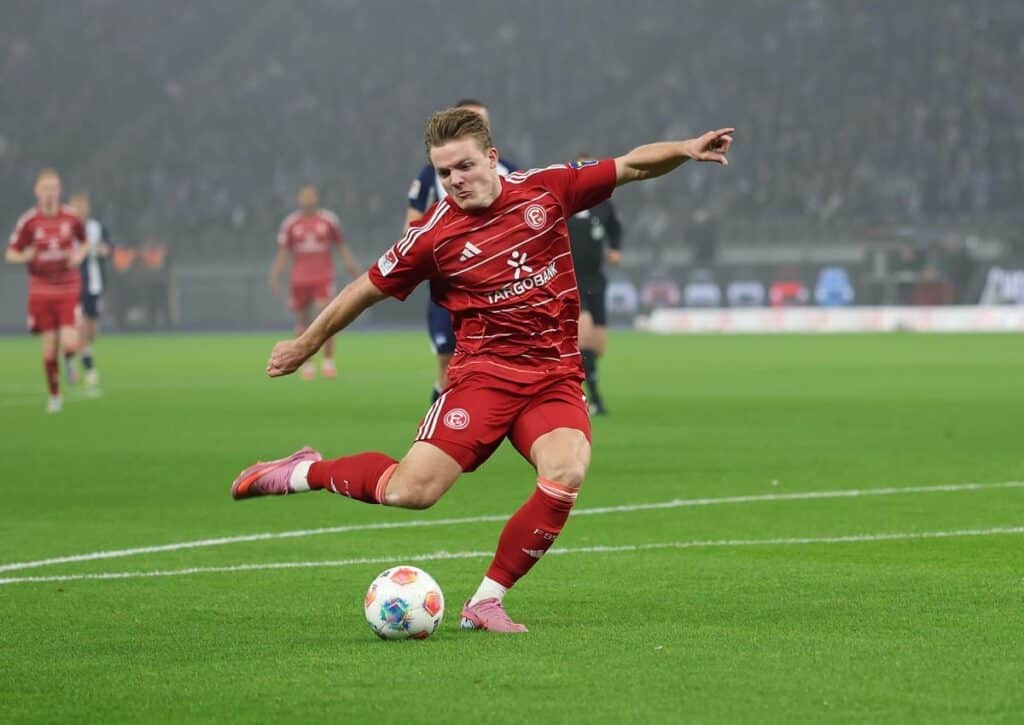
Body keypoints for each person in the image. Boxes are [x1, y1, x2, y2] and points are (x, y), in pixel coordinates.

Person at [232, 108, 733, 632]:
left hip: (553, 378)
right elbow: (364, 289)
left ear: (492, 158)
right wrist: (307, 343)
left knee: (566, 471)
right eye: (444, 173)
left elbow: (631, 166)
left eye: (464, 167)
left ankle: (486, 600)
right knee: (412, 492)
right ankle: (305, 470)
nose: (455, 181)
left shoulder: (546, 189)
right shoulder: (432, 235)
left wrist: (686, 149)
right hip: (484, 378)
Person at [404, 98, 518, 401]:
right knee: (449, 366)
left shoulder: (510, 171)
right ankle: (435, 435)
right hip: (452, 286)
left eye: (483, 120)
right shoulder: (433, 173)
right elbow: (412, 226)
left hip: (501, 289)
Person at [5, 169, 88, 413]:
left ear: (59, 190)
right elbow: (10, 254)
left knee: (70, 342)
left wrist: (78, 256)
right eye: (45, 188)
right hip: (41, 290)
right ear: (37, 192)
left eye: (54, 188)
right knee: (49, 348)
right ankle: (55, 396)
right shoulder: (29, 222)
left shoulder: (71, 218)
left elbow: (84, 242)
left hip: (67, 287)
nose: (49, 193)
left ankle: (70, 358)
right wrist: (24, 255)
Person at [270, 185, 360, 380]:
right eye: (304, 197)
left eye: (310, 196)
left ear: (316, 198)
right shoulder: (291, 224)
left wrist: (350, 264)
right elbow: (283, 252)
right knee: (302, 320)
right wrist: (276, 274)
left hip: (323, 277)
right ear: (298, 199)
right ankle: (306, 362)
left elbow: (341, 245)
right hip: (299, 279)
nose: (307, 200)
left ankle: (328, 360)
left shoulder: (328, 220)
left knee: (325, 315)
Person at [567, 153, 623, 415]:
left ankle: (585, 391)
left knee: (597, 347)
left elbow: (615, 229)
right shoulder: (564, 203)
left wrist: (615, 249)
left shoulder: (603, 204)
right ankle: (592, 400)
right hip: (570, 280)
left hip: (596, 280)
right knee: (583, 336)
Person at [68, 192, 111, 389]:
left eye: (83, 205)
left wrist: (103, 250)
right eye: (76, 205)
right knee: (81, 327)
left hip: (95, 283)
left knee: (91, 331)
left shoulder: (96, 227)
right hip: (72, 283)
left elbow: (109, 248)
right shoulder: (65, 228)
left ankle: (71, 354)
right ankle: (89, 370)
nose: (80, 209)